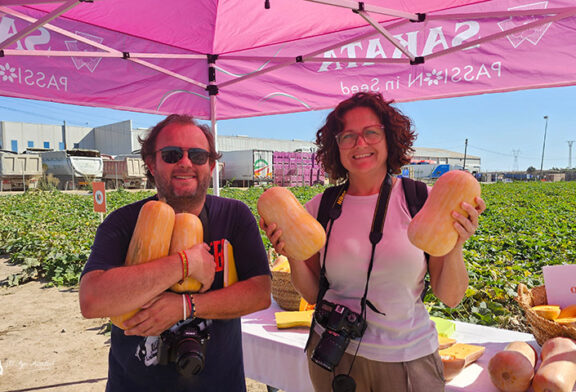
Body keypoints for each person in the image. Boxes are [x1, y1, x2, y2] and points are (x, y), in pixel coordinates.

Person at [261, 92, 486, 392]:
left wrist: (456, 242)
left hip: (406, 361)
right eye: (348, 136)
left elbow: (451, 296)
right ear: (336, 146)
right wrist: (290, 253)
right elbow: (313, 293)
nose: (360, 143)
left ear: (389, 138)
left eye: (371, 132)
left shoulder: (421, 200)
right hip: (332, 356)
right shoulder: (321, 206)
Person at [79, 114, 271, 392]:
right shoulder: (121, 222)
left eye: (197, 155)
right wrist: (184, 263)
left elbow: (259, 293)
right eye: (171, 155)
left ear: (211, 165)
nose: (185, 162)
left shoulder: (235, 216)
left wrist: (184, 306)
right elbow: (93, 301)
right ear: (151, 164)